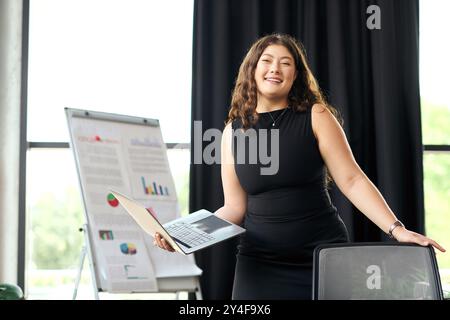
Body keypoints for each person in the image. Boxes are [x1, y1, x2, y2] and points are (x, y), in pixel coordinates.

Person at [154, 33, 445, 299]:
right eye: (266, 61)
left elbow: (352, 180)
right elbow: (233, 208)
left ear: (296, 74)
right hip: (259, 265)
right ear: (252, 70)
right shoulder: (233, 131)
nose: (275, 69)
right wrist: (182, 236)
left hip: (320, 258)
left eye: (285, 63)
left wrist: (397, 229)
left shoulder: (316, 116)